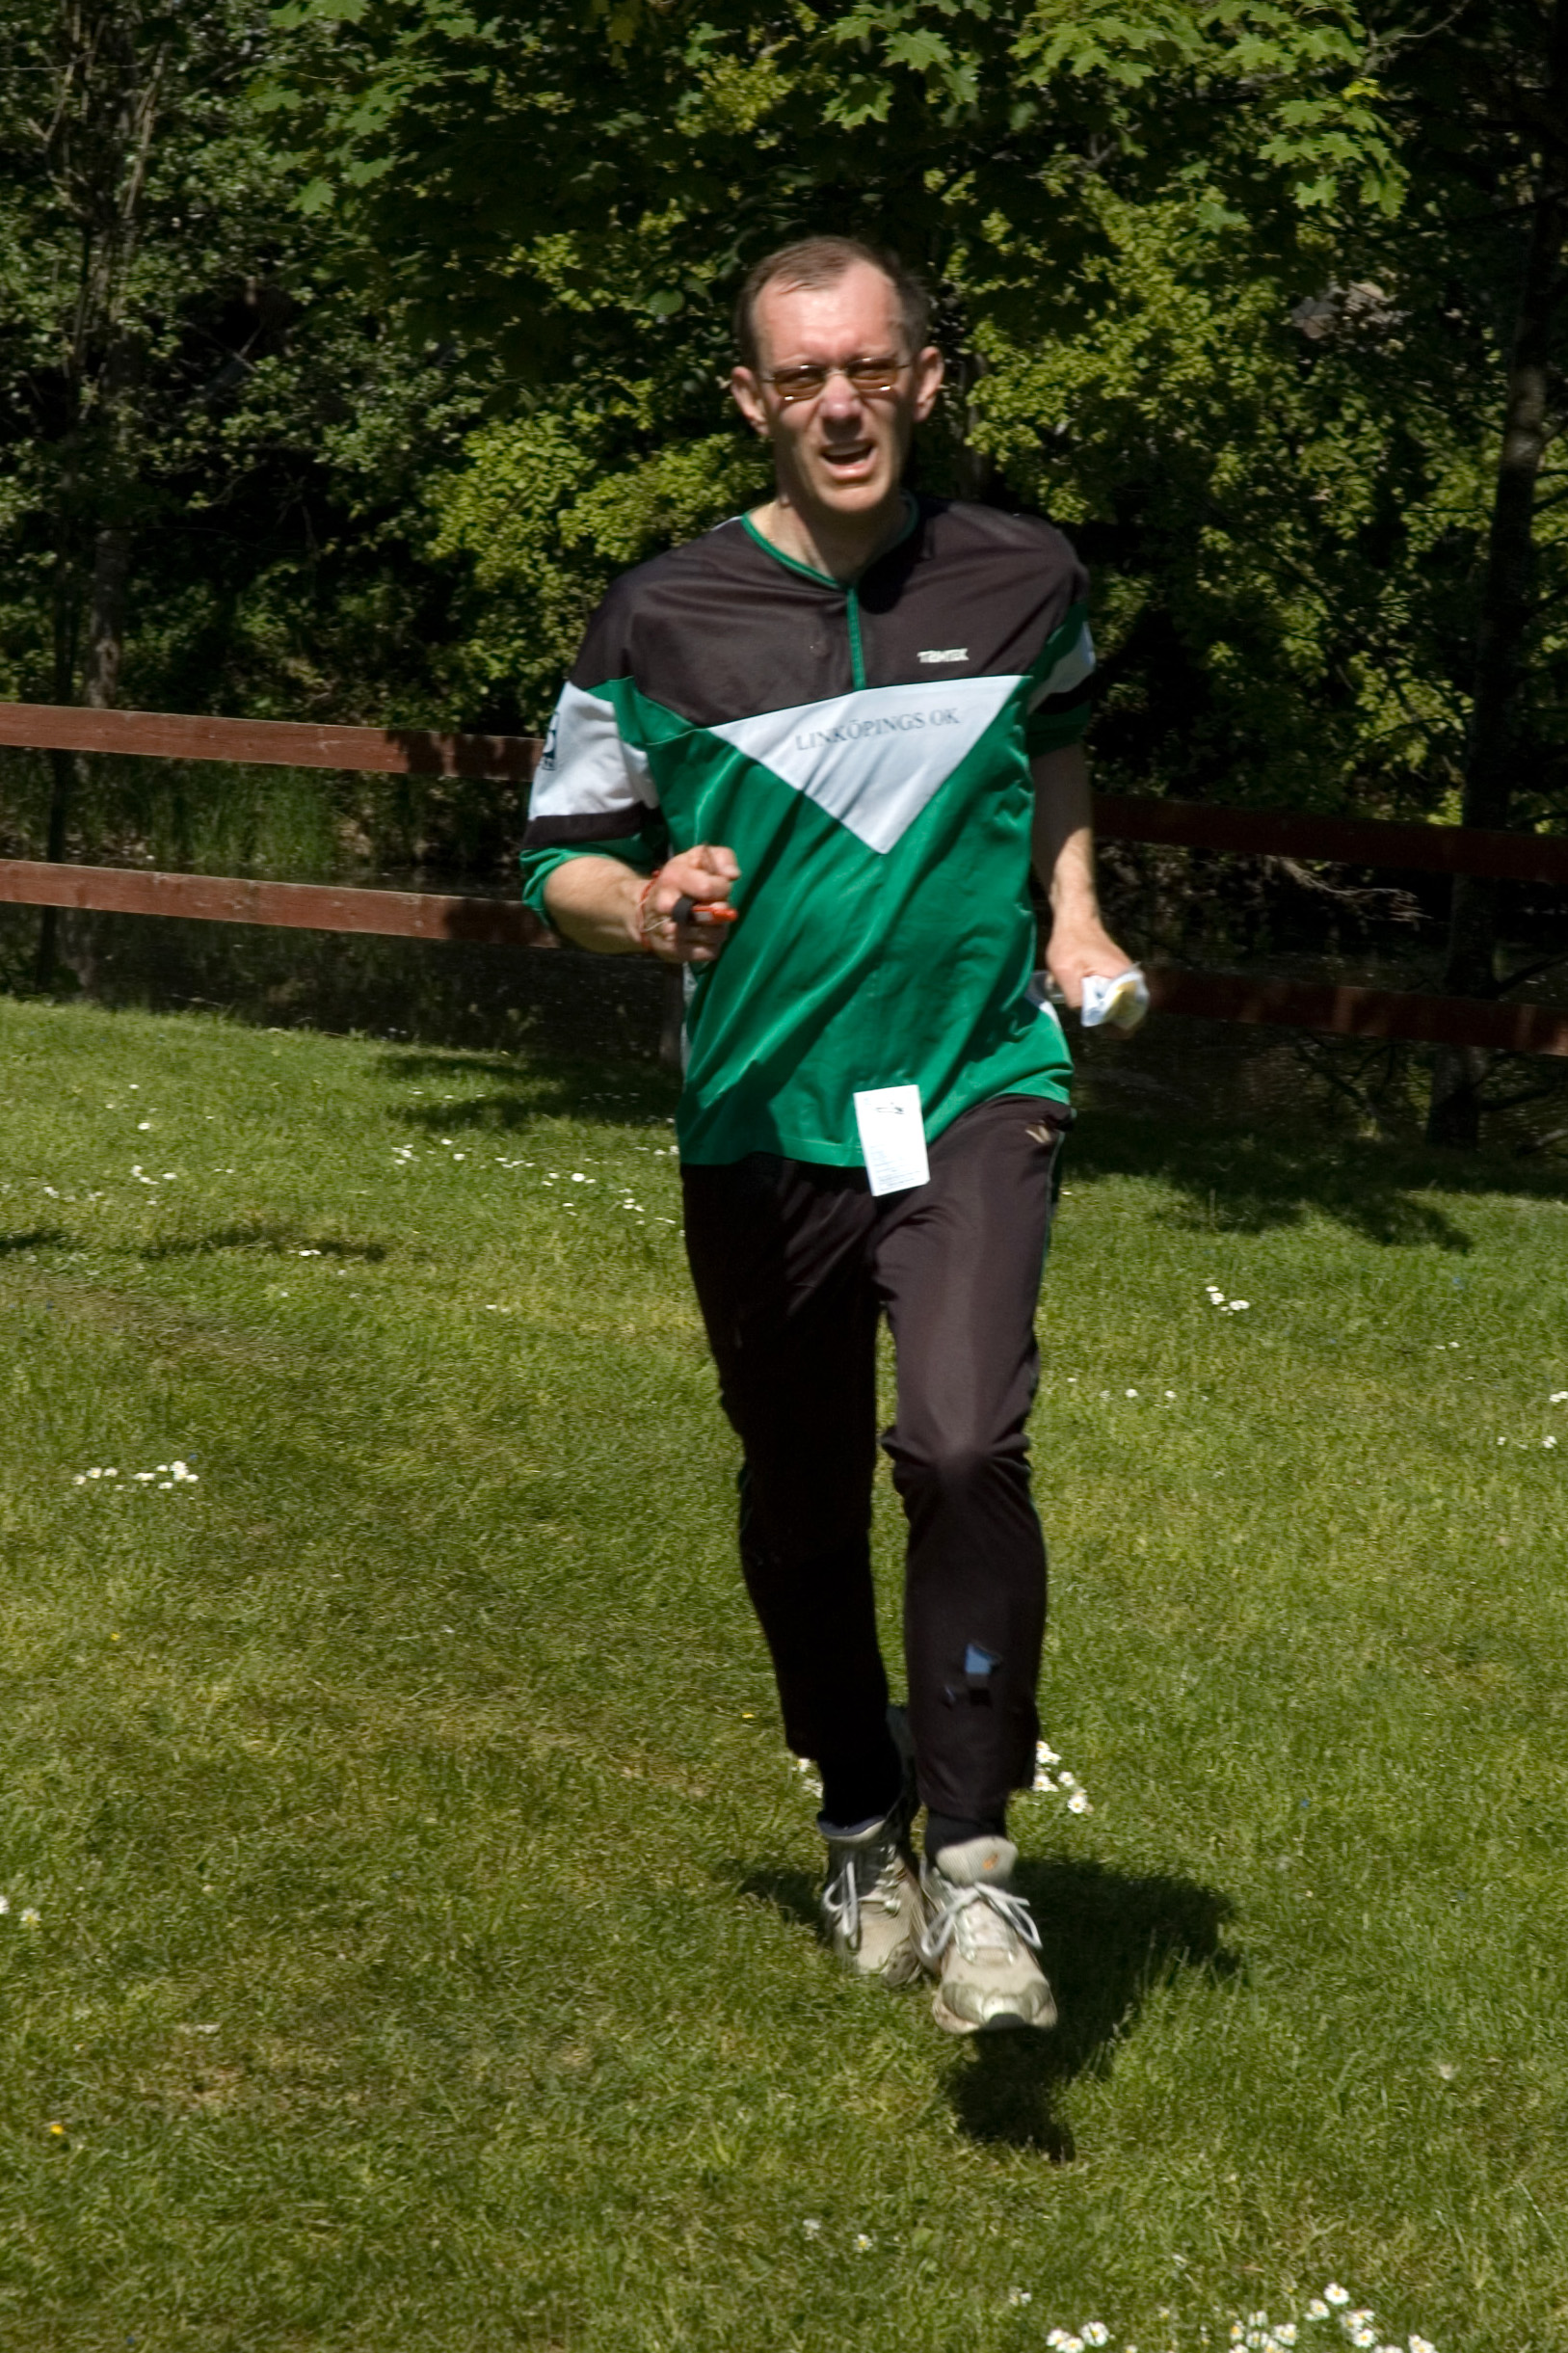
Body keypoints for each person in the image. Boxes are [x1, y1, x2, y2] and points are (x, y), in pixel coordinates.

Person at [518, 235, 1134, 2034]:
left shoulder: (1027, 574)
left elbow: (1063, 746)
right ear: (753, 399)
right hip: (759, 1117)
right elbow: (558, 856)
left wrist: (1075, 915)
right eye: (803, 377)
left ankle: (977, 1868)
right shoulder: (660, 613)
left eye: (870, 367)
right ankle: (860, 1816)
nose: (841, 404)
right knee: (797, 1494)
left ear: (925, 378)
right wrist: (642, 906)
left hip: (972, 1082)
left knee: (959, 1442)